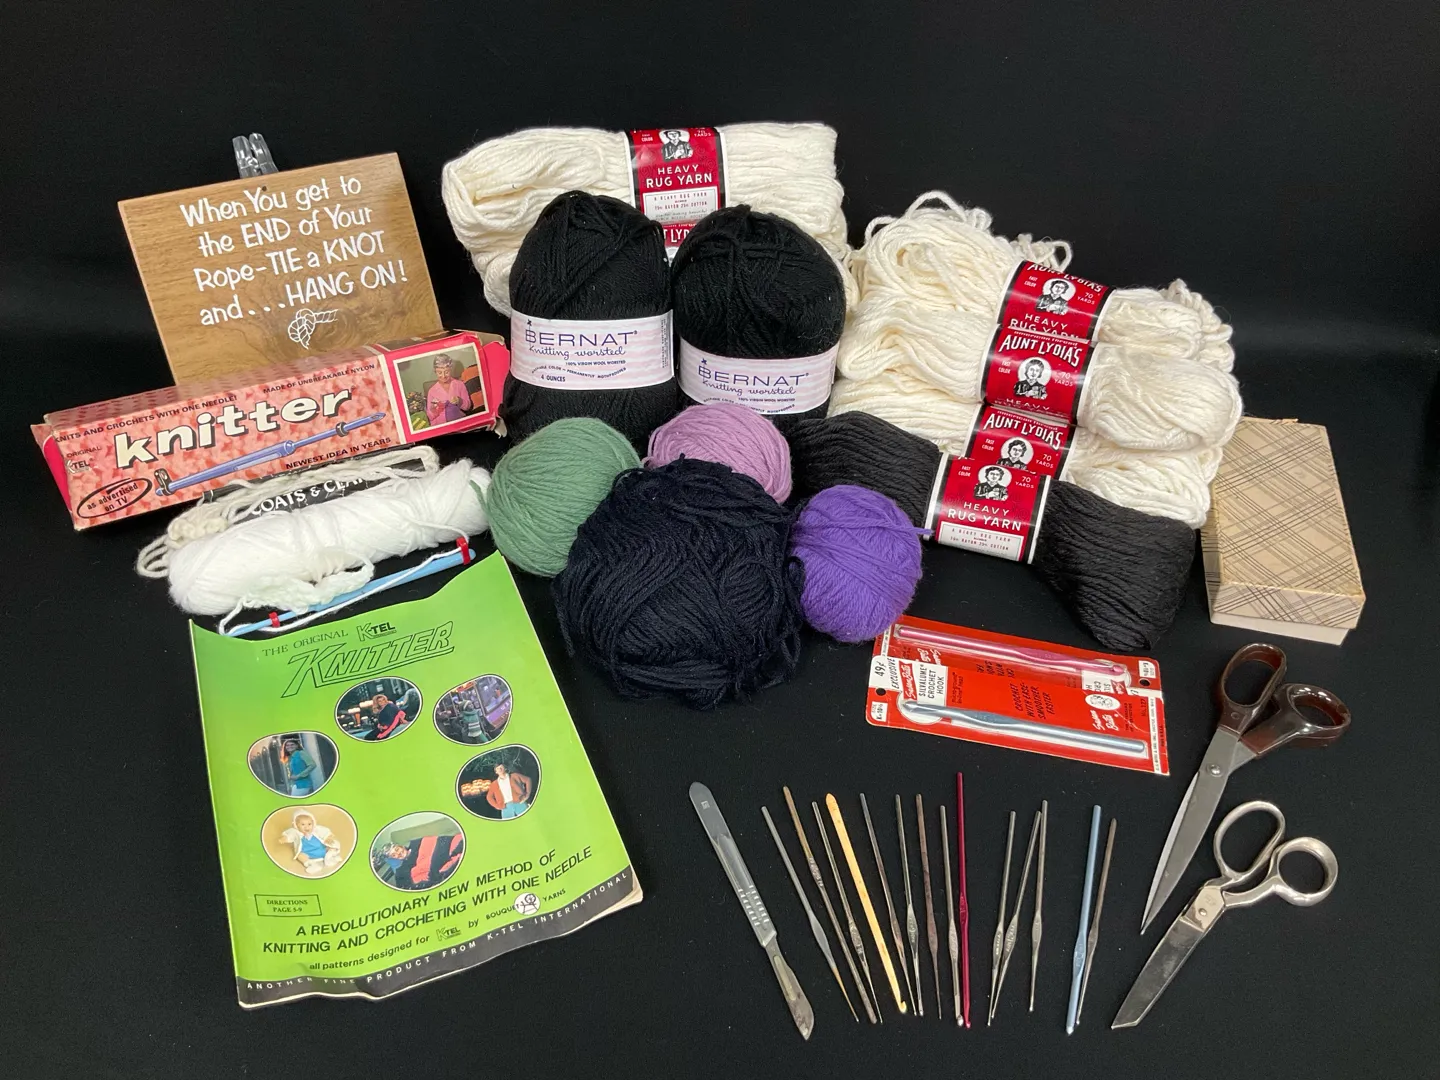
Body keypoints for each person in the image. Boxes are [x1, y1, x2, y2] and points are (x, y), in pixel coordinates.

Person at [280, 810, 343, 876]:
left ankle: (330, 856)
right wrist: (285, 838)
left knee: (332, 844)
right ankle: (312, 865)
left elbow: (324, 832)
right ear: (296, 825)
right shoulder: (296, 832)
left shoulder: (316, 829)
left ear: (313, 823)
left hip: (322, 849)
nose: (306, 827)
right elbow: (290, 835)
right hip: (307, 853)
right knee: (300, 856)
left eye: (309, 824)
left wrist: (327, 837)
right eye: (303, 824)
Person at [425, 355, 471, 425]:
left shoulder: (459, 384)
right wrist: (435, 409)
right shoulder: (432, 391)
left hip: (458, 422)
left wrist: (459, 401)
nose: (443, 376)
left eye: (446, 372)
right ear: (435, 372)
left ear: (451, 369)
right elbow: (430, 417)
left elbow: (467, 407)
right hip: (441, 425)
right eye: (439, 373)